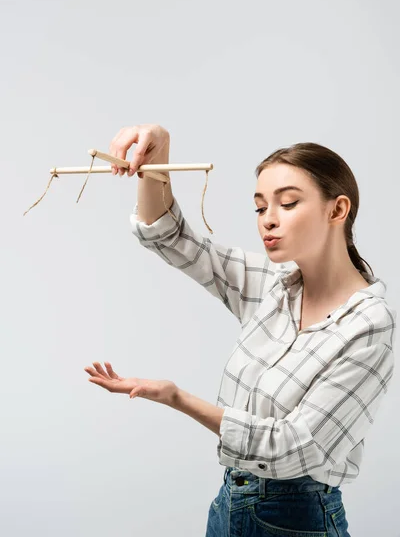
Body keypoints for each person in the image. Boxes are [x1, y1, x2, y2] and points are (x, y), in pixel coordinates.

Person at [84, 124, 396, 537]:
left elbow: (296, 446)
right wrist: (157, 158)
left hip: (297, 518)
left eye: (287, 204)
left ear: (337, 210)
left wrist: (177, 398)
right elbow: (171, 238)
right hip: (229, 505)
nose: (268, 220)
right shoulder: (272, 283)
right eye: (260, 207)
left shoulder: (369, 324)